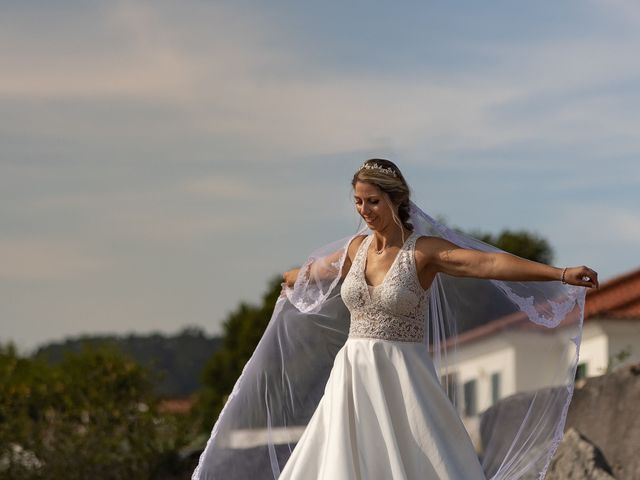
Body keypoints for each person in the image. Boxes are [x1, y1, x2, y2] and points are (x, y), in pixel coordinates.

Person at [192, 159, 596, 480]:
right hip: (352, 375)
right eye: (357, 201)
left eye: (373, 201)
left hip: (403, 377)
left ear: (396, 201)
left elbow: (487, 262)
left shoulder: (424, 252)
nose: (364, 210)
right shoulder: (356, 249)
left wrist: (558, 274)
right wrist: (290, 280)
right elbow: (313, 272)